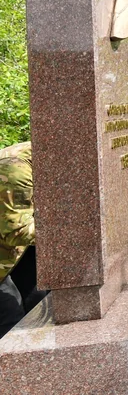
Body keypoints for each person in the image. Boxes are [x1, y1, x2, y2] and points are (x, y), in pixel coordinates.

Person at [0, 142, 35, 337]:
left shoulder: (38, 158)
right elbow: (16, 232)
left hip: (12, 255)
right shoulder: (16, 168)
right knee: (11, 323)